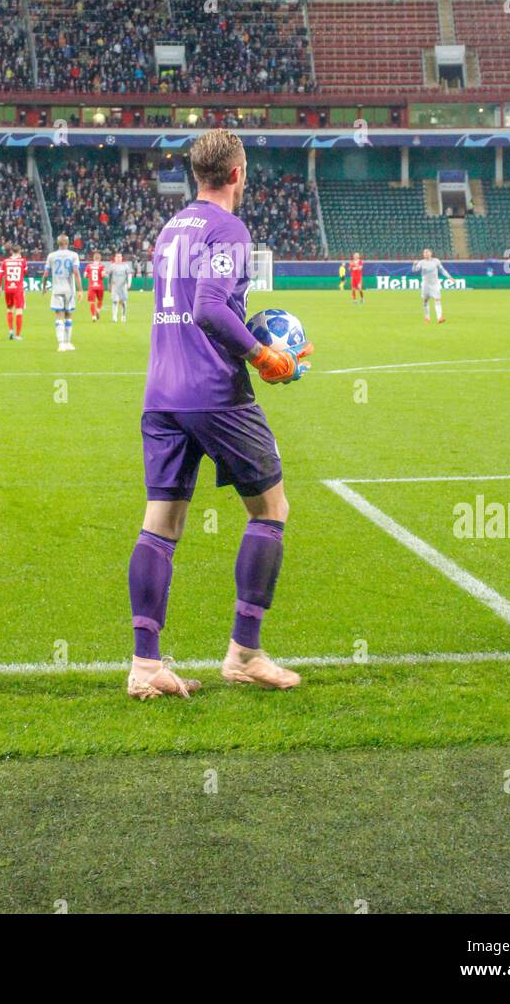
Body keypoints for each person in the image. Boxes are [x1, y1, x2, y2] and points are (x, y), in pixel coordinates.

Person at [127, 129, 312, 701]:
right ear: (237, 173)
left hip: (163, 392)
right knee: (271, 507)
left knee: (161, 523)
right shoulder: (227, 227)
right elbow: (209, 307)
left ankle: (145, 665)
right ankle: (245, 653)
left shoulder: (171, 228)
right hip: (213, 391)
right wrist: (262, 355)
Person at [42, 233, 81, 352]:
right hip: (70, 290)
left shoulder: (51, 256)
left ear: (57, 243)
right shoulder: (74, 255)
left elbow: (45, 274)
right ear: (68, 243)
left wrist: (44, 287)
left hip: (57, 290)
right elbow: (76, 272)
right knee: (69, 315)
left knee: (59, 316)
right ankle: (68, 343)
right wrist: (80, 289)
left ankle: (61, 344)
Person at [412, 247, 452, 324]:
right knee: (425, 301)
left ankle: (439, 318)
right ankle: (427, 318)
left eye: (427, 252)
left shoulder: (436, 261)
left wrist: (449, 277)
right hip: (425, 285)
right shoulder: (421, 262)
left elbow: (442, 270)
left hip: (435, 284)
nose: (425, 254)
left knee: (437, 300)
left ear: (431, 253)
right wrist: (414, 264)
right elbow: (414, 270)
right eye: (424, 252)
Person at [0, 245, 28, 340]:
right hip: (18, 289)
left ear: (11, 251)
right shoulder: (23, 261)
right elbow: (25, 273)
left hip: (8, 288)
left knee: (9, 309)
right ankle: (17, 335)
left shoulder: (5, 261)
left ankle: (11, 330)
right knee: (19, 311)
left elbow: (0, 276)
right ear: (20, 251)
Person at [106, 250, 132, 323]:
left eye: (119, 257)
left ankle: (123, 316)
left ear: (121, 258)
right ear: (115, 258)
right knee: (114, 301)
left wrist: (129, 283)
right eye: (117, 257)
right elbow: (109, 277)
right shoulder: (112, 266)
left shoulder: (125, 266)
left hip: (123, 286)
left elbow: (129, 275)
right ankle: (114, 317)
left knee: (123, 302)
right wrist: (108, 285)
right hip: (115, 286)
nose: (118, 258)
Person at [84, 249, 105, 321]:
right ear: (100, 259)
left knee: (92, 302)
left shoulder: (89, 266)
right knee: (100, 300)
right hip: (100, 286)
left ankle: (93, 316)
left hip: (92, 286)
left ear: (93, 258)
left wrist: (89, 276)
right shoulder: (102, 266)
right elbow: (103, 275)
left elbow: (85, 275)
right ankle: (98, 310)